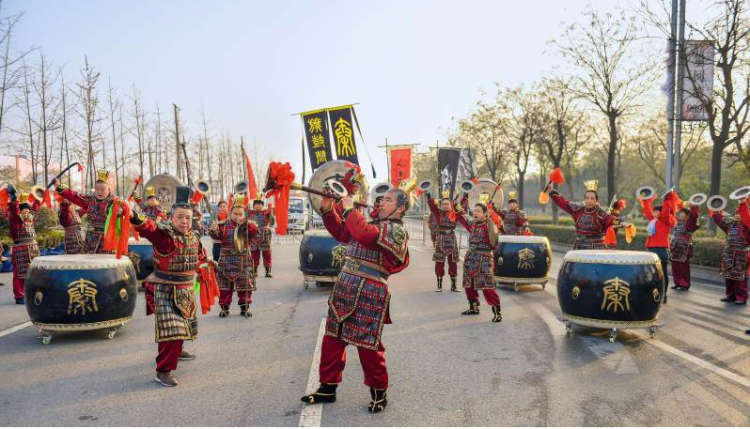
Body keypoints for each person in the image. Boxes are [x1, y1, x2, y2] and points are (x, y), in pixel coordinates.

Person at [301, 189, 410, 414]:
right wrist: (328, 207)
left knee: (368, 345)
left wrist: (350, 208)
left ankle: (379, 392)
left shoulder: (396, 230)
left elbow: (365, 235)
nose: (381, 202)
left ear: (400, 208)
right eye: (381, 198)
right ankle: (327, 387)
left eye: (388, 199)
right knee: (333, 337)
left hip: (370, 291)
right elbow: (342, 232)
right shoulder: (369, 222)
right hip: (345, 287)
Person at [131, 186, 207, 387]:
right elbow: (149, 228)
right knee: (172, 330)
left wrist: (205, 264)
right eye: (180, 217)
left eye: (188, 218)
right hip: (164, 289)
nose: (184, 221)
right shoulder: (165, 237)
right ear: (171, 218)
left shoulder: (193, 237)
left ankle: (177, 351)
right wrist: (133, 216)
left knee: (185, 326)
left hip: (186, 289)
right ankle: (163, 371)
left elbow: (197, 258)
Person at [455, 194, 502, 322]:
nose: (475, 213)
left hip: (485, 259)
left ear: (485, 214)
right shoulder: (472, 224)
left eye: (478, 211)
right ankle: (473, 307)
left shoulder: (490, 225)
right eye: (474, 211)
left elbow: (495, 242)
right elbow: (460, 214)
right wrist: (461, 200)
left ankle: (497, 311)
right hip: (471, 259)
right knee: (468, 285)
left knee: (488, 286)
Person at [210, 195, 259, 318]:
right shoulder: (224, 225)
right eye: (235, 214)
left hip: (243, 260)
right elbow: (216, 236)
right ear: (230, 213)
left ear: (244, 214)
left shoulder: (248, 225)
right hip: (226, 260)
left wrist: (246, 223)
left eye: (240, 214)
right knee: (225, 287)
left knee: (245, 286)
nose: (237, 216)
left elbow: (254, 232)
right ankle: (224, 308)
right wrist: (213, 230)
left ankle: (245, 308)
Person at [55, 169, 115, 253]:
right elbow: (75, 196)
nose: (99, 192)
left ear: (109, 190)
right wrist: (59, 186)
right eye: (97, 189)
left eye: (102, 189)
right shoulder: (90, 200)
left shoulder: (114, 202)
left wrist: (121, 211)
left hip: (108, 240)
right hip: (91, 239)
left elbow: (125, 212)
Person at [546, 180, 618, 250]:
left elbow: (611, 220)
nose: (589, 200)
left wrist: (622, 222)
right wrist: (552, 191)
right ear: (584, 199)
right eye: (587, 198)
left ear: (596, 201)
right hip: (579, 246)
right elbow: (564, 203)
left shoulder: (601, 213)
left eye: (592, 198)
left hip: (596, 249)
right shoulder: (578, 210)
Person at [639, 191, 678, 302]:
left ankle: (664, 294)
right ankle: (655, 293)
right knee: (652, 273)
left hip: (661, 249)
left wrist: (667, 201)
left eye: (656, 211)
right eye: (654, 211)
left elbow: (665, 213)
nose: (654, 213)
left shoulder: (666, 220)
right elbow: (647, 211)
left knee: (663, 272)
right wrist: (646, 200)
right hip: (652, 248)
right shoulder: (653, 220)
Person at [713, 199, 750, 305]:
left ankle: (741, 297)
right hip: (728, 253)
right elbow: (720, 221)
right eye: (736, 214)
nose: (737, 216)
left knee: (739, 277)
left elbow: (747, 217)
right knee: (728, 275)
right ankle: (730, 296)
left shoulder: (747, 226)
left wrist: (743, 204)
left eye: (739, 214)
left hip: (741, 254)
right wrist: (716, 210)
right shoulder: (731, 225)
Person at [8, 191, 40, 304]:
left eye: (27, 209)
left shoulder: (30, 220)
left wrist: (37, 199)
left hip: (33, 249)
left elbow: (35, 210)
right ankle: (19, 296)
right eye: (23, 209)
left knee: (33, 272)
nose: (26, 211)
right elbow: (14, 213)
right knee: (19, 274)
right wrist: (14, 202)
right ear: (20, 210)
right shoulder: (16, 221)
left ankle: (31, 293)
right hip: (20, 250)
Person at [425, 190, 460, 292]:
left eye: (447, 204)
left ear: (450, 205)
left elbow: (462, 207)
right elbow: (432, 207)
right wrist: (429, 197)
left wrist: (465, 197)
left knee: (453, 262)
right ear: (441, 205)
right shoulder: (438, 213)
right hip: (441, 239)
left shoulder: (454, 213)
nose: (445, 206)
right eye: (443, 204)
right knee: (439, 262)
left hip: (452, 239)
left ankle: (453, 286)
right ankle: (439, 285)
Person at [670, 202, 700, 291]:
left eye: (683, 213)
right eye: (680, 213)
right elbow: (671, 213)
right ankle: (677, 282)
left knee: (683, 267)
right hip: (675, 246)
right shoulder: (678, 222)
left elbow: (694, 216)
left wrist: (694, 206)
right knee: (675, 265)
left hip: (684, 247)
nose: (681, 214)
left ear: (687, 215)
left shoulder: (689, 223)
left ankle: (684, 284)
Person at [247, 194, 274, 278]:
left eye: (260, 204)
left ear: (262, 206)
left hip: (265, 237)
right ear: (253, 206)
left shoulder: (266, 213)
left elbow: (272, 221)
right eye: (256, 204)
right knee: (254, 254)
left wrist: (271, 208)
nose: (258, 206)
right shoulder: (250, 213)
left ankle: (268, 271)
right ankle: (254, 271)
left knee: (267, 254)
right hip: (254, 237)